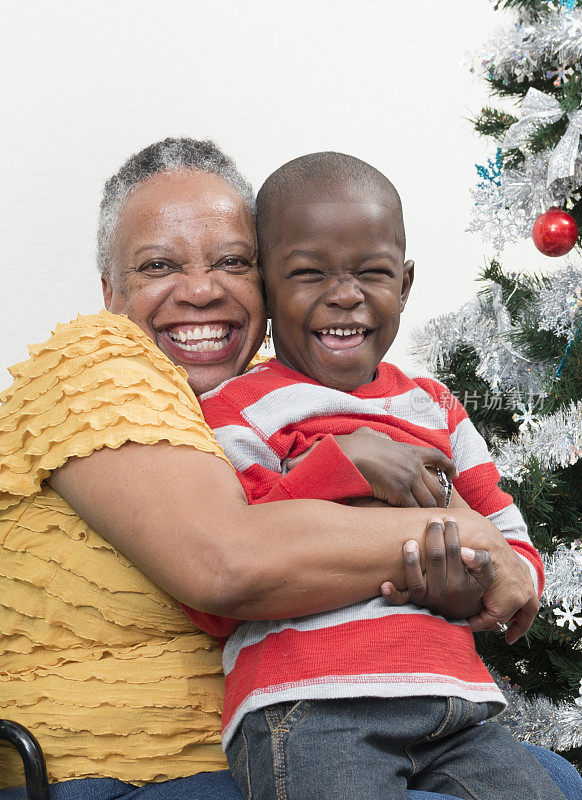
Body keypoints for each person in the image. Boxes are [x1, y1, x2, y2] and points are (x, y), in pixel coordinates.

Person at [0, 139, 578, 800]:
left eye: (230, 262)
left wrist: (463, 576)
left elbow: (493, 532)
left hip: (411, 708)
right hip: (133, 767)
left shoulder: (300, 390)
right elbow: (227, 565)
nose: (200, 290)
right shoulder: (97, 362)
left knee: (554, 781)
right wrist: (464, 537)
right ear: (110, 290)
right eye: (159, 265)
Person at [188, 152, 574, 800]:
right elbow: (229, 580)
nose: (345, 294)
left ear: (406, 282)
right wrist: (339, 466)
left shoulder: (436, 408)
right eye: (309, 274)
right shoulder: (235, 408)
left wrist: (472, 581)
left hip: (456, 708)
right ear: (265, 287)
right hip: (309, 705)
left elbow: (519, 565)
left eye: (372, 273)